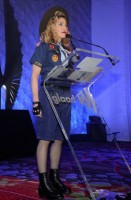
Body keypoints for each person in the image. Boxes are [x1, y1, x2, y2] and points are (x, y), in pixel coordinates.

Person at [30, 6, 74, 200]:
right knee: (45, 138)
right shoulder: (43, 47)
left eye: (66, 24)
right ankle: (43, 183)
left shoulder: (66, 49)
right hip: (48, 95)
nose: (65, 27)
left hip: (64, 96)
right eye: (60, 24)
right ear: (51, 26)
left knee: (58, 139)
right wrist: (35, 102)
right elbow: (34, 76)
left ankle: (55, 178)